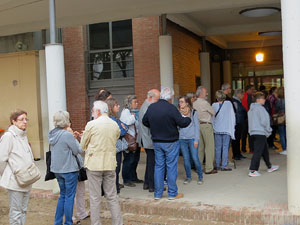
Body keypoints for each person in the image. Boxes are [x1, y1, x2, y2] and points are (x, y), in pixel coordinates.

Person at [143, 86, 191, 200]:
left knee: (159, 167)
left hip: (157, 142)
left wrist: (154, 127)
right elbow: (181, 123)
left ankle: (158, 194)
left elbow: (145, 121)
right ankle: (172, 193)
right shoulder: (171, 108)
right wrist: (188, 117)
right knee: (171, 167)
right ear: (170, 97)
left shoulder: (152, 107)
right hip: (171, 141)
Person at [80, 100, 123, 225]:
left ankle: (96, 223)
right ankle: (118, 222)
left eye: (93, 111)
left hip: (94, 165)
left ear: (97, 111)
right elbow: (114, 139)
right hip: (109, 164)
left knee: (95, 197)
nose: (92, 113)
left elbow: (83, 145)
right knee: (112, 196)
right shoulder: (114, 124)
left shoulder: (91, 124)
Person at [0, 110, 37, 225]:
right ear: (14, 121)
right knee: (16, 211)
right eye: (22, 119)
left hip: (27, 179)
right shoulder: (8, 136)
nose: (25, 122)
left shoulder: (23, 135)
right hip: (15, 181)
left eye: (26, 119)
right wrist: (7, 175)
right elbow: (1, 159)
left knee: (23, 210)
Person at [49, 111, 82, 225]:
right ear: (66, 121)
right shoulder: (66, 134)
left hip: (57, 170)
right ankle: (68, 222)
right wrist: (74, 137)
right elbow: (78, 150)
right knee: (69, 197)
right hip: (69, 169)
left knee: (62, 195)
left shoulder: (52, 134)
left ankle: (57, 222)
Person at [248, 92, 279, 177]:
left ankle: (269, 166)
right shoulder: (261, 109)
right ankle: (253, 170)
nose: (265, 100)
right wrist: (269, 130)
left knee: (264, 150)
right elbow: (265, 121)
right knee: (258, 151)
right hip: (260, 132)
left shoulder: (251, 109)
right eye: (263, 98)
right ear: (258, 100)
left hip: (253, 132)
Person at [137, 89, 160, 193]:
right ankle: (152, 185)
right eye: (157, 99)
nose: (158, 101)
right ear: (151, 97)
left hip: (146, 138)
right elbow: (150, 123)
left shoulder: (145, 106)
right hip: (148, 139)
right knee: (152, 163)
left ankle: (147, 183)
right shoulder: (148, 107)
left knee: (150, 162)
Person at [67, 123, 90, 225]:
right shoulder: (67, 134)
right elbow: (79, 149)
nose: (69, 124)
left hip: (78, 167)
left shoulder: (67, 134)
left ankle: (81, 212)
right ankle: (71, 216)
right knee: (71, 193)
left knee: (80, 191)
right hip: (71, 168)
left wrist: (75, 138)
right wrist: (81, 139)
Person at [178, 95, 203, 184]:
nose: (180, 103)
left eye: (182, 102)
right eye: (179, 102)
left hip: (192, 139)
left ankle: (200, 176)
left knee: (195, 158)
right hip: (182, 139)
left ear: (187, 103)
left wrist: (196, 139)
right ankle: (188, 177)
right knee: (186, 159)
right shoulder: (178, 113)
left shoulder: (193, 113)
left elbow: (197, 126)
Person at [193, 86, 217, 174]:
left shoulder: (194, 103)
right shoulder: (205, 103)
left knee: (200, 148)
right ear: (201, 94)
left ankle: (198, 167)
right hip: (206, 126)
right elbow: (213, 112)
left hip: (197, 126)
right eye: (205, 92)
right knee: (209, 147)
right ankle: (209, 168)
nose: (207, 94)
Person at [106, 98, 129, 193]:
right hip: (114, 148)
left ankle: (115, 187)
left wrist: (124, 128)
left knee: (116, 169)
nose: (118, 106)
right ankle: (114, 189)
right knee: (115, 169)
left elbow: (125, 126)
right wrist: (123, 129)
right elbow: (121, 131)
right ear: (111, 107)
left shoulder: (116, 118)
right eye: (116, 105)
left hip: (116, 148)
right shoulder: (112, 120)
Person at [120, 95, 143, 187]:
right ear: (129, 103)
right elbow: (126, 123)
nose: (137, 104)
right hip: (129, 140)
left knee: (135, 160)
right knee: (129, 160)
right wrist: (133, 117)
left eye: (137, 102)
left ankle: (134, 177)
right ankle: (126, 179)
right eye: (135, 102)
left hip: (136, 139)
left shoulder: (135, 112)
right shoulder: (126, 112)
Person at [212, 90, 236, 171]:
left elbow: (212, 118)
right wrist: (233, 126)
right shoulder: (228, 104)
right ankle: (224, 165)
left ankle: (217, 164)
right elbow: (232, 115)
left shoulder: (213, 105)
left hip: (217, 129)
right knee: (225, 147)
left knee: (217, 148)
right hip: (226, 129)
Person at [232, 89, 247, 160]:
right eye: (242, 94)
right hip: (237, 123)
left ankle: (238, 153)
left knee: (238, 139)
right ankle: (236, 154)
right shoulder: (235, 102)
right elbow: (236, 113)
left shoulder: (238, 102)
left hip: (239, 122)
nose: (243, 96)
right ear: (238, 94)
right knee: (236, 139)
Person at [241, 85, 254, 153]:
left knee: (244, 134)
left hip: (243, 117)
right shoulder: (249, 96)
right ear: (248, 90)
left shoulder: (243, 96)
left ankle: (243, 148)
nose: (253, 91)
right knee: (250, 134)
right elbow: (250, 106)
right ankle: (251, 149)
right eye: (252, 90)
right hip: (248, 117)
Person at [275, 87, 287, 155]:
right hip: (287, 117)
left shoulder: (278, 100)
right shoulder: (288, 99)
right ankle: (288, 147)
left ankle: (284, 149)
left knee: (282, 134)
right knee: (287, 133)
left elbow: (276, 109)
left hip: (281, 118)